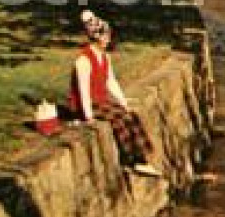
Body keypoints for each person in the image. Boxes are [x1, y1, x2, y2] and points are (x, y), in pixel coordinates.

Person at [69, 10, 161, 177]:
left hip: (101, 101)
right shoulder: (83, 61)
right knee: (118, 121)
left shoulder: (105, 57)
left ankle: (142, 157)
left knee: (130, 115)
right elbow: (82, 89)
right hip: (87, 105)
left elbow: (111, 81)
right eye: (106, 36)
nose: (109, 39)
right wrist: (87, 115)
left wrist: (123, 101)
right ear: (97, 38)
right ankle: (131, 159)